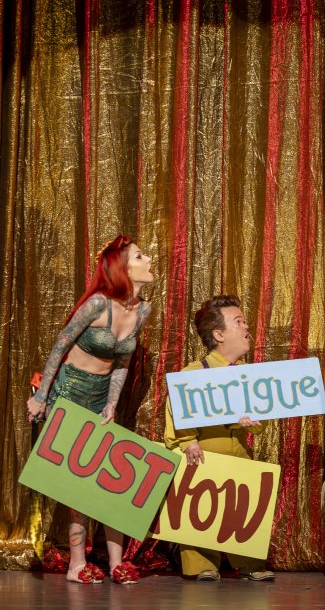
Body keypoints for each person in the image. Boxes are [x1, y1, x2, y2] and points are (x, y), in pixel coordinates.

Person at [25, 235, 154, 584]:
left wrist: (112, 403)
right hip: (69, 391)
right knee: (78, 483)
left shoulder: (143, 310)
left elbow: (123, 360)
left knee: (108, 478)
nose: (149, 259)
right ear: (122, 269)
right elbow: (59, 346)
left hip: (100, 396)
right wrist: (43, 396)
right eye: (140, 256)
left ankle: (115, 564)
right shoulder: (98, 304)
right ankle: (77, 563)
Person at [163, 295, 274, 581]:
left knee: (242, 506)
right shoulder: (194, 373)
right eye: (239, 322)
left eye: (245, 321)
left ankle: (249, 563)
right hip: (204, 455)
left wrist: (253, 423)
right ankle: (202, 564)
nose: (247, 327)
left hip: (237, 453)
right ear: (219, 334)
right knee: (200, 507)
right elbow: (177, 412)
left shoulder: (247, 376)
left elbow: (257, 422)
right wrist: (189, 442)